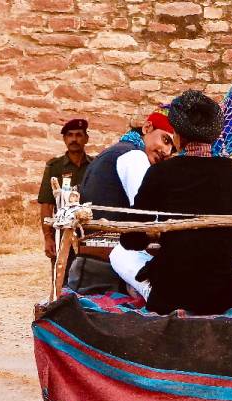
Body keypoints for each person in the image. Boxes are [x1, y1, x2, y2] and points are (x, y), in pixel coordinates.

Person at [113, 90, 232, 315]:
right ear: (215, 136)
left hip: (167, 297)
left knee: (117, 254)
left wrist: (163, 241)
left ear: (177, 134)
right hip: (221, 297)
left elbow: (131, 240)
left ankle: (145, 289)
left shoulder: (160, 172)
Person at [65, 106, 176, 294]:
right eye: (165, 139)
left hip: (88, 265)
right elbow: (150, 218)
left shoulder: (114, 152)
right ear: (147, 128)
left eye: (172, 147)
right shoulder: (134, 157)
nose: (166, 150)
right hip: (108, 268)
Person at [38, 118, 93, 260]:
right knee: (61, 275)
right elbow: (47, 204)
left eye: (79, 135)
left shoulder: (95, 165)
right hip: (62, 231)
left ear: (86, 139)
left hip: (90, 230)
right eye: (70, 135)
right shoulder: (54, 167)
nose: (74, 139)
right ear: (64, 139)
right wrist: (48, 238)